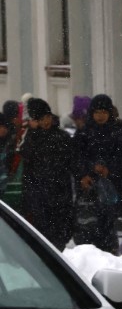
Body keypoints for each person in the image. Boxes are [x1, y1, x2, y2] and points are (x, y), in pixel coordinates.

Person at [18, 97, 74, 250]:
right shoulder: (31, 138)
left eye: (47, 117)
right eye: (41, 119)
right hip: (39, 197)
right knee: (41, 239)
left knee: (58, 237)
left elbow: (71, 162)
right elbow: (26, 160)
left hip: (60, 194)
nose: (45, 122)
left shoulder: (62, 137)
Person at [72, 94, 122, 226]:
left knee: (109, 228)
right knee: (88, 228)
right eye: (97, 112)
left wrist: (110, 171)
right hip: (88, 190)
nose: (100, 116)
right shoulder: (83, 134)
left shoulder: (118, 135)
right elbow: (75, 158)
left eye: (104, 112)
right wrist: (86, 172)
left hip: (113, 190)